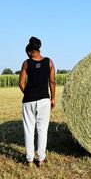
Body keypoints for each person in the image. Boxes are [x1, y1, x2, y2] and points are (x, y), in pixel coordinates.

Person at [19, 36, 56, 167]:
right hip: (44, 100)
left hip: (28, 100)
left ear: (30, 51)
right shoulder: (49, 62)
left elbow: (21, 83)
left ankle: (29, 160)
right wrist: (52, 98)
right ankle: (40, 159)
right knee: (42, 130)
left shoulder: (26, 63)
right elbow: (52, 82)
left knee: (29, 129)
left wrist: (29, 94)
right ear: (39, 49)